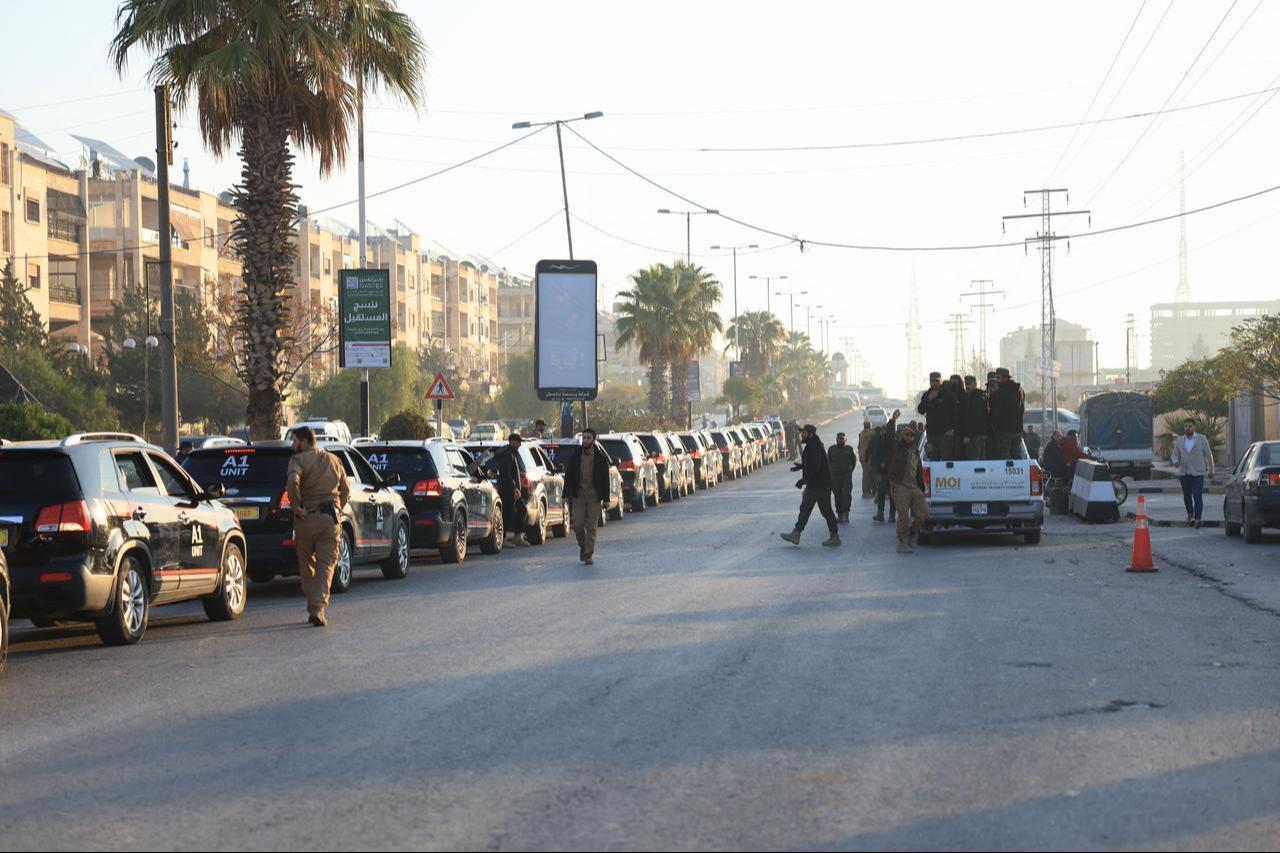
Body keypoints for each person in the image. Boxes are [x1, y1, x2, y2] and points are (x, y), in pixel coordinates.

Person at [285, 426, 351, 627]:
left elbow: (292, 482)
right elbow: (346, 489)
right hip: (329, 519)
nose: (293, 445)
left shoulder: (298, 460)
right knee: (326, 565)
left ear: (304, 442)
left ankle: (313, 606)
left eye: (295, 441)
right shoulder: (334, 460)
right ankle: (318, 608)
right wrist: (339, 506)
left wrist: (296, 507)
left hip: (305, 519)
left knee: (306, 567)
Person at [780, 424, 841, 547]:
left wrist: (803, 480)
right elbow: (811, 463)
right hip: (814, 485)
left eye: (804, 433)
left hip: (821, 485)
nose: (802, 435)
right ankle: (796, 534)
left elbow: (815, 467)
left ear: (810, 434)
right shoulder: (812, 445)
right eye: (802, 433)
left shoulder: (814, 446)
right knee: (805, 509)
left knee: (826, 511)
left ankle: (835, 537)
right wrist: (801, 467)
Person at [563, 428, 611, 563]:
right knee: (577, 525)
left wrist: (606, 499)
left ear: (593, 440)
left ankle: (588, 554)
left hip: (594, 496)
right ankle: (583, 546)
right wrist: (566, 494)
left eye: (588, 438)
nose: (585, 440)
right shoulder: (576, 455)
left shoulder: (600, 458)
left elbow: (605, 479)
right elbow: (569, 475)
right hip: (579, 495)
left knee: (591, 526)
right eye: (584, 438)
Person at [888, 422, 929, 554]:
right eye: (906, 436)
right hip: (900, 486)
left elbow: (918, 470)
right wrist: (892, 421)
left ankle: (910, 534)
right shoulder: (897, 448)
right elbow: (889, 436)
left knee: (924, 513)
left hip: (914, 486)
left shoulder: (915, 451)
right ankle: (902, 542)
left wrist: (921, 487)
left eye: (911, 436)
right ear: (901, 437)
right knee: (903, 515)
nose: (909, 438)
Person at [1170, 418, 1215, 528]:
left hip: (1198, 473)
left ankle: (1198, 518)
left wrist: (1211, 470)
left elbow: (1208, 455)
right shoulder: (1180, 440)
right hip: (1184, 473)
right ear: (1184, 428)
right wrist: (1176, 462)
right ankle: (1190, 515)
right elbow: (1174, 454)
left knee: (1197, 495)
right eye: (1186, 426)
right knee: (1187, 496)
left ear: (1194, 427)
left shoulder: (1201, 439)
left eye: (1190, 426)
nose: (1188, 428)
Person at [494, 433, 528, 547]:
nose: (519, 444)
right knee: (507, 514)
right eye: (518, 442)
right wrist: (514, 488)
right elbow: (506, 474)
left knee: (521, 510)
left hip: (512, 489)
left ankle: (517, 537)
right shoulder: (507, 454)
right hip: (507, 490)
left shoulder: (512, 453)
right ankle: (502, 539)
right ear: (512, 442)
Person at [917, 372, 956, 461]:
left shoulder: (948, 394)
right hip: (932, 435)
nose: (934, 383)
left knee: (946, 461)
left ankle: (947, 476)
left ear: (941, 381)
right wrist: (929, 399)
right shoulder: (927, 394)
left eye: (937, 381)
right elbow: (920, 410)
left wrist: (952, 429)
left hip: (945, 434)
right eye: (932, 381)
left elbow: (955, 413)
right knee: (933, 460)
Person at [871, 410, 901, 523]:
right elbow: (876, 454)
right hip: (883, 472)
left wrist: (893, 420)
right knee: (881, 492)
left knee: (892, 494)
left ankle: (892, 515)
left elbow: (890, 431)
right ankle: (880, 514)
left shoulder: (892, 442)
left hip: (892, 471)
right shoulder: (880, 441)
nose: (884, 433)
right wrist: (879, 464)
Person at [988, 367, 1025, 459]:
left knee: (1005, 457)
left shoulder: (1001, 392)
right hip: (1017, 429)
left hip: (1004, 430)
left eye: (998, 378)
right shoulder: (1019, 390)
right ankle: (1018, 473)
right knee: (1017, 455)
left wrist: (991, 397)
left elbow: (997, 412)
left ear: (1005, 378)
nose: (997, 380)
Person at [828, 431, 857, 523]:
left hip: (846, 476)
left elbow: (854, 461)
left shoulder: (849, 449)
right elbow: (828, 462)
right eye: (839, 439)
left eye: (842, 439)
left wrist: (850, 471)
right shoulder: (832, 449)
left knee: (847, 494)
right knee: (837, 495)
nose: (840, 440)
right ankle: (839, 514)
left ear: (846, 440)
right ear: (836, 439)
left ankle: (846, 514)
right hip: (835, 476)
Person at [959, 375, 989, 460]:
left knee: (973, 461)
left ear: (975, 384)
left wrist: (968, 435)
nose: (967, 386)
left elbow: (974, 418)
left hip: (975, 436)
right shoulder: (978, 396)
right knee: (981, 460)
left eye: (969, 384)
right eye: (966, 384)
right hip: (981, 434)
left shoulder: (976, 398)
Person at [857, 419, 877, 499]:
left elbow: (859, 446)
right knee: (867, 474)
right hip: (867, 456)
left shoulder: (861, 433)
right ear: (869, 426)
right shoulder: (870, 433)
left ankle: (868, 491)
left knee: (866, 473)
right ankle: (865, 492)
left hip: (862, 455)